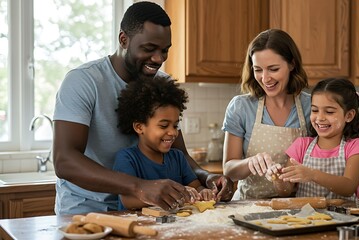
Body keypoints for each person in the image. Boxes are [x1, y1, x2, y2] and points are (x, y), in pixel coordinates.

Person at [53, 1, 233, 215]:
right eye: (149, 49)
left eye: (164, 50)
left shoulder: (162, 85)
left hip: (145, 211)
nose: (158, 59)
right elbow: (65, 160)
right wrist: (139, 186)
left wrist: (207, 177)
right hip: (86, 211)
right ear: (123, 40)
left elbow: (179, 153)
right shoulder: (84, 81)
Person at [222, 29, 311, 200]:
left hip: (295, 208)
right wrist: (249, 163)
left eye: (273, 69)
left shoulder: (310, 107)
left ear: (292, 64)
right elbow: (229, 170)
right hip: (248, 206)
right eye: (258, 70)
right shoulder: (241, 107)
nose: (265, 78)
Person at [113, 77, 215, 210]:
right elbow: (128, 201)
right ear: (139, 127)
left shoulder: (178, 157)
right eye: (164, 126)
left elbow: (196, 187)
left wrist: (204, 193)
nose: (173, 132)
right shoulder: (127, 159)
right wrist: (177, 194)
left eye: (175, 126)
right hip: (139, 226)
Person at [266, 78, 359, 200]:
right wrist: (278, 179)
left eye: (329, 112)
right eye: (315, 110)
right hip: (305, 218)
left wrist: (312, 174)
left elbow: (348, 187)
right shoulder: (301, 145)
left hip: (344, 218)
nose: (320, 117)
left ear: (348, 115)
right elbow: (285, 191)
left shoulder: (355, 146)